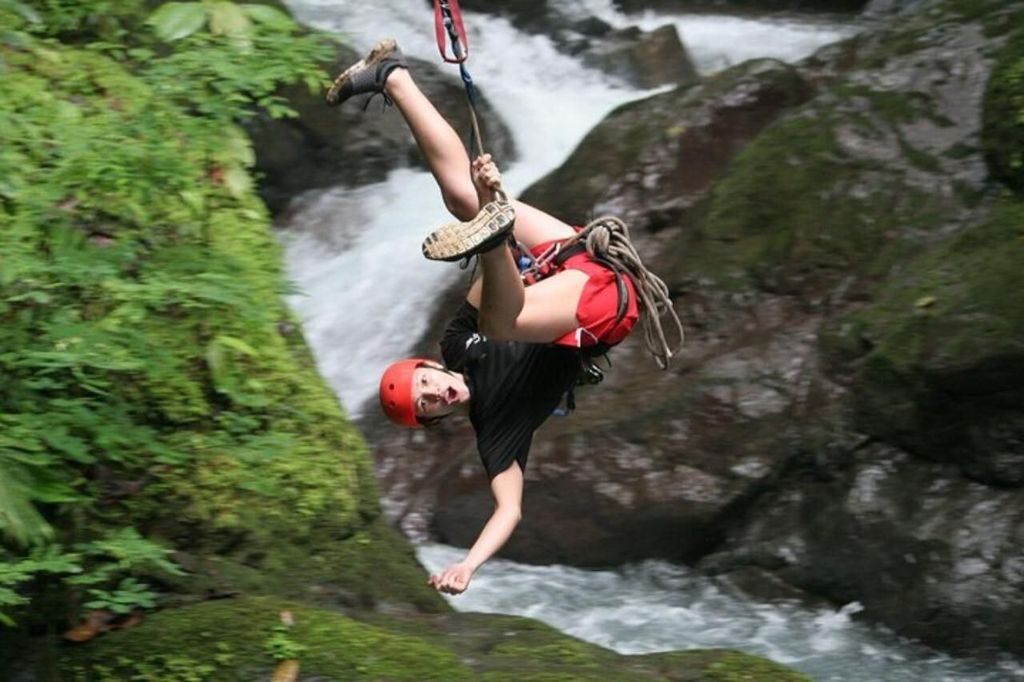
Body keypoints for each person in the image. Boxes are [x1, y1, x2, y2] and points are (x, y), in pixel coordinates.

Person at [327, 39, 680, 596]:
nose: (435, 393)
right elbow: (508, 510)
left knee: (462, 199)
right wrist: (468, 565)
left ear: (431, 368)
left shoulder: (453, 340)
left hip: (578, 257)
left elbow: (503, 283)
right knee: (499, 314)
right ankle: (494, 221)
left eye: (427, 383)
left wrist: (491, 202)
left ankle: (392, 78)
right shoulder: (496, 429)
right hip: (605, 307)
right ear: (436, 419)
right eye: (427, 404)